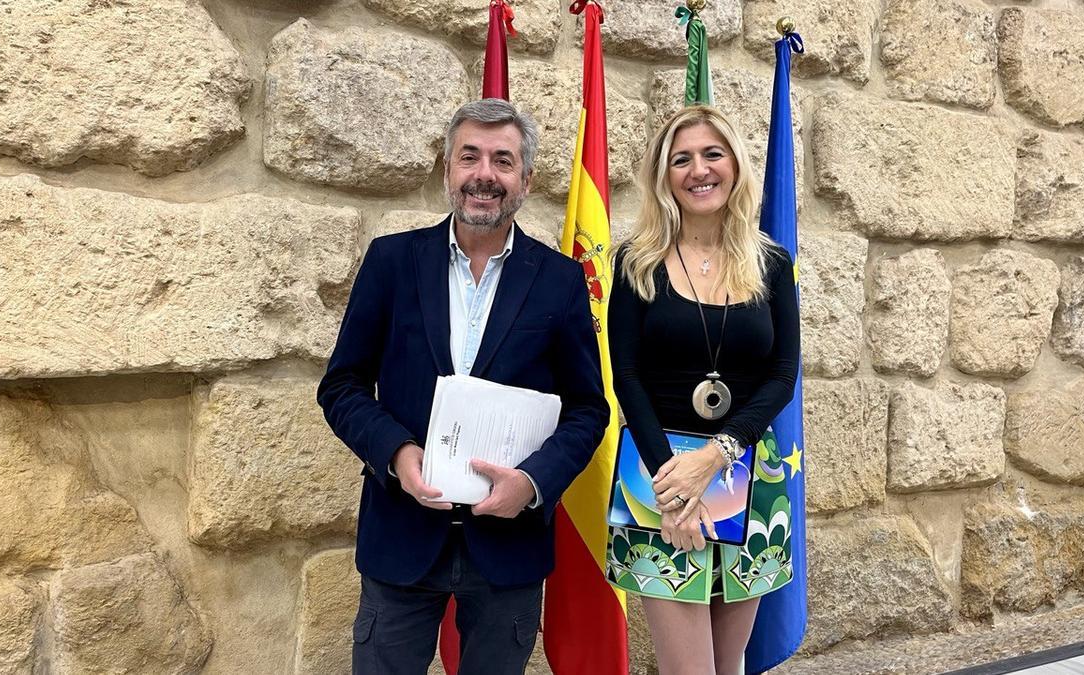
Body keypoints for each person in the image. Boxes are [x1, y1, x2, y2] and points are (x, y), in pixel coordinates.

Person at [317, 98, 609, 675]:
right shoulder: (391, 262)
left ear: (525, 179)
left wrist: (532, 483)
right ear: (447, 169)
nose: (484, 174)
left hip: (509, 548)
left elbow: (587, 410)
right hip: (402, 536)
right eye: (469, 156)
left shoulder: (560, 281)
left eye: (503, 161)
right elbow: (343, 385)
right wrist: (399, 455)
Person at [607, 105, 800, 674]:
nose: (699, 170)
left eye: (712, 154)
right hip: (655, 479)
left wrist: (717, 455)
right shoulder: (634, 264)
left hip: (749, 477)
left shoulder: (771, 264)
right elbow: (629, 378)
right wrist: (676, 487)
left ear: (735, 165)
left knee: (729, 664)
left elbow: (782, 374)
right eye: (681, 158)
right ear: (664, 176)